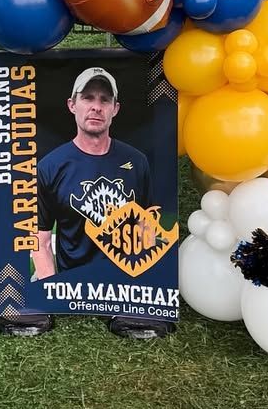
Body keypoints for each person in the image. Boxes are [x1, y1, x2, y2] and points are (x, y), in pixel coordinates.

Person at [28, 67, 166, 342]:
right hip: (72, 280)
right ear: (72, 105)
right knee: (27, 301)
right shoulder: (51, 166)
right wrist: (52, 289)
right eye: (88, 98)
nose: (96, 107)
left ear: (115, 108)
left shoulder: (137, 161)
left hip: (122, 282)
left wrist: (141, 287)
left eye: (105, 100)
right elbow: (40, 240)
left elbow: (147, 234)